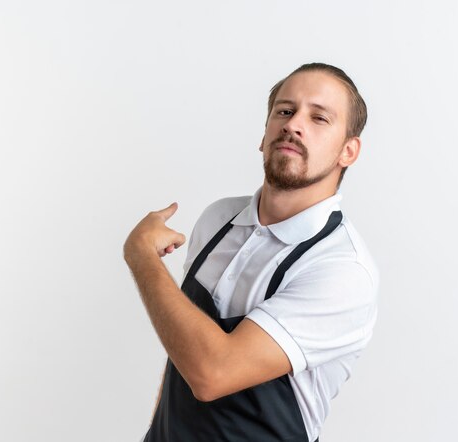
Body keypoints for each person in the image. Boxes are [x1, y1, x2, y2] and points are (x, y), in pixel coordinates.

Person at [123, 62, 379, 442]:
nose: (294, 124)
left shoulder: (341, 269)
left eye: (319, 117)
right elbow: (184, 346)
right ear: (264, 134)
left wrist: (141, 255)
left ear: (348, 151)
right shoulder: (217, 220)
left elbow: (212, 373)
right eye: (285, 111)